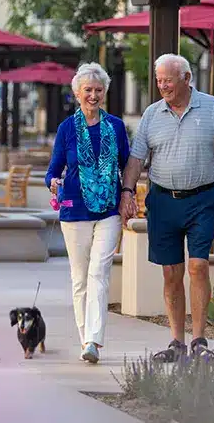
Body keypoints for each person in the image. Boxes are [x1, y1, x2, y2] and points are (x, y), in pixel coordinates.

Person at [119, 54, 214, 362]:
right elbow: (136, 159)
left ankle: (200, 341)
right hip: (162, 200)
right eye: (159, 81)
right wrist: (127, 191)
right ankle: (177, 341)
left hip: (201, 199)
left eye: (168, 80)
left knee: (198, 266)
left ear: (187, 79)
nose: (163, 87)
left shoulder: (213, 108)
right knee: (171, 273)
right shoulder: (151, 114)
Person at [46, 62, 130, 364]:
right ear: (77, 93)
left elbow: (126, 166)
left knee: (99, 273)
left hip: (108, 211)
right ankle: (85, 340)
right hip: (74, 211)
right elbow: (54, 169)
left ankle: (95, 339)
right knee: (80, 278)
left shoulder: (116, 127)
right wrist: (52, 182)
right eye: (88, 90)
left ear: (104, 92)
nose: (93, 96)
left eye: (98, 90)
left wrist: (127, 194)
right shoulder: (67, 128)